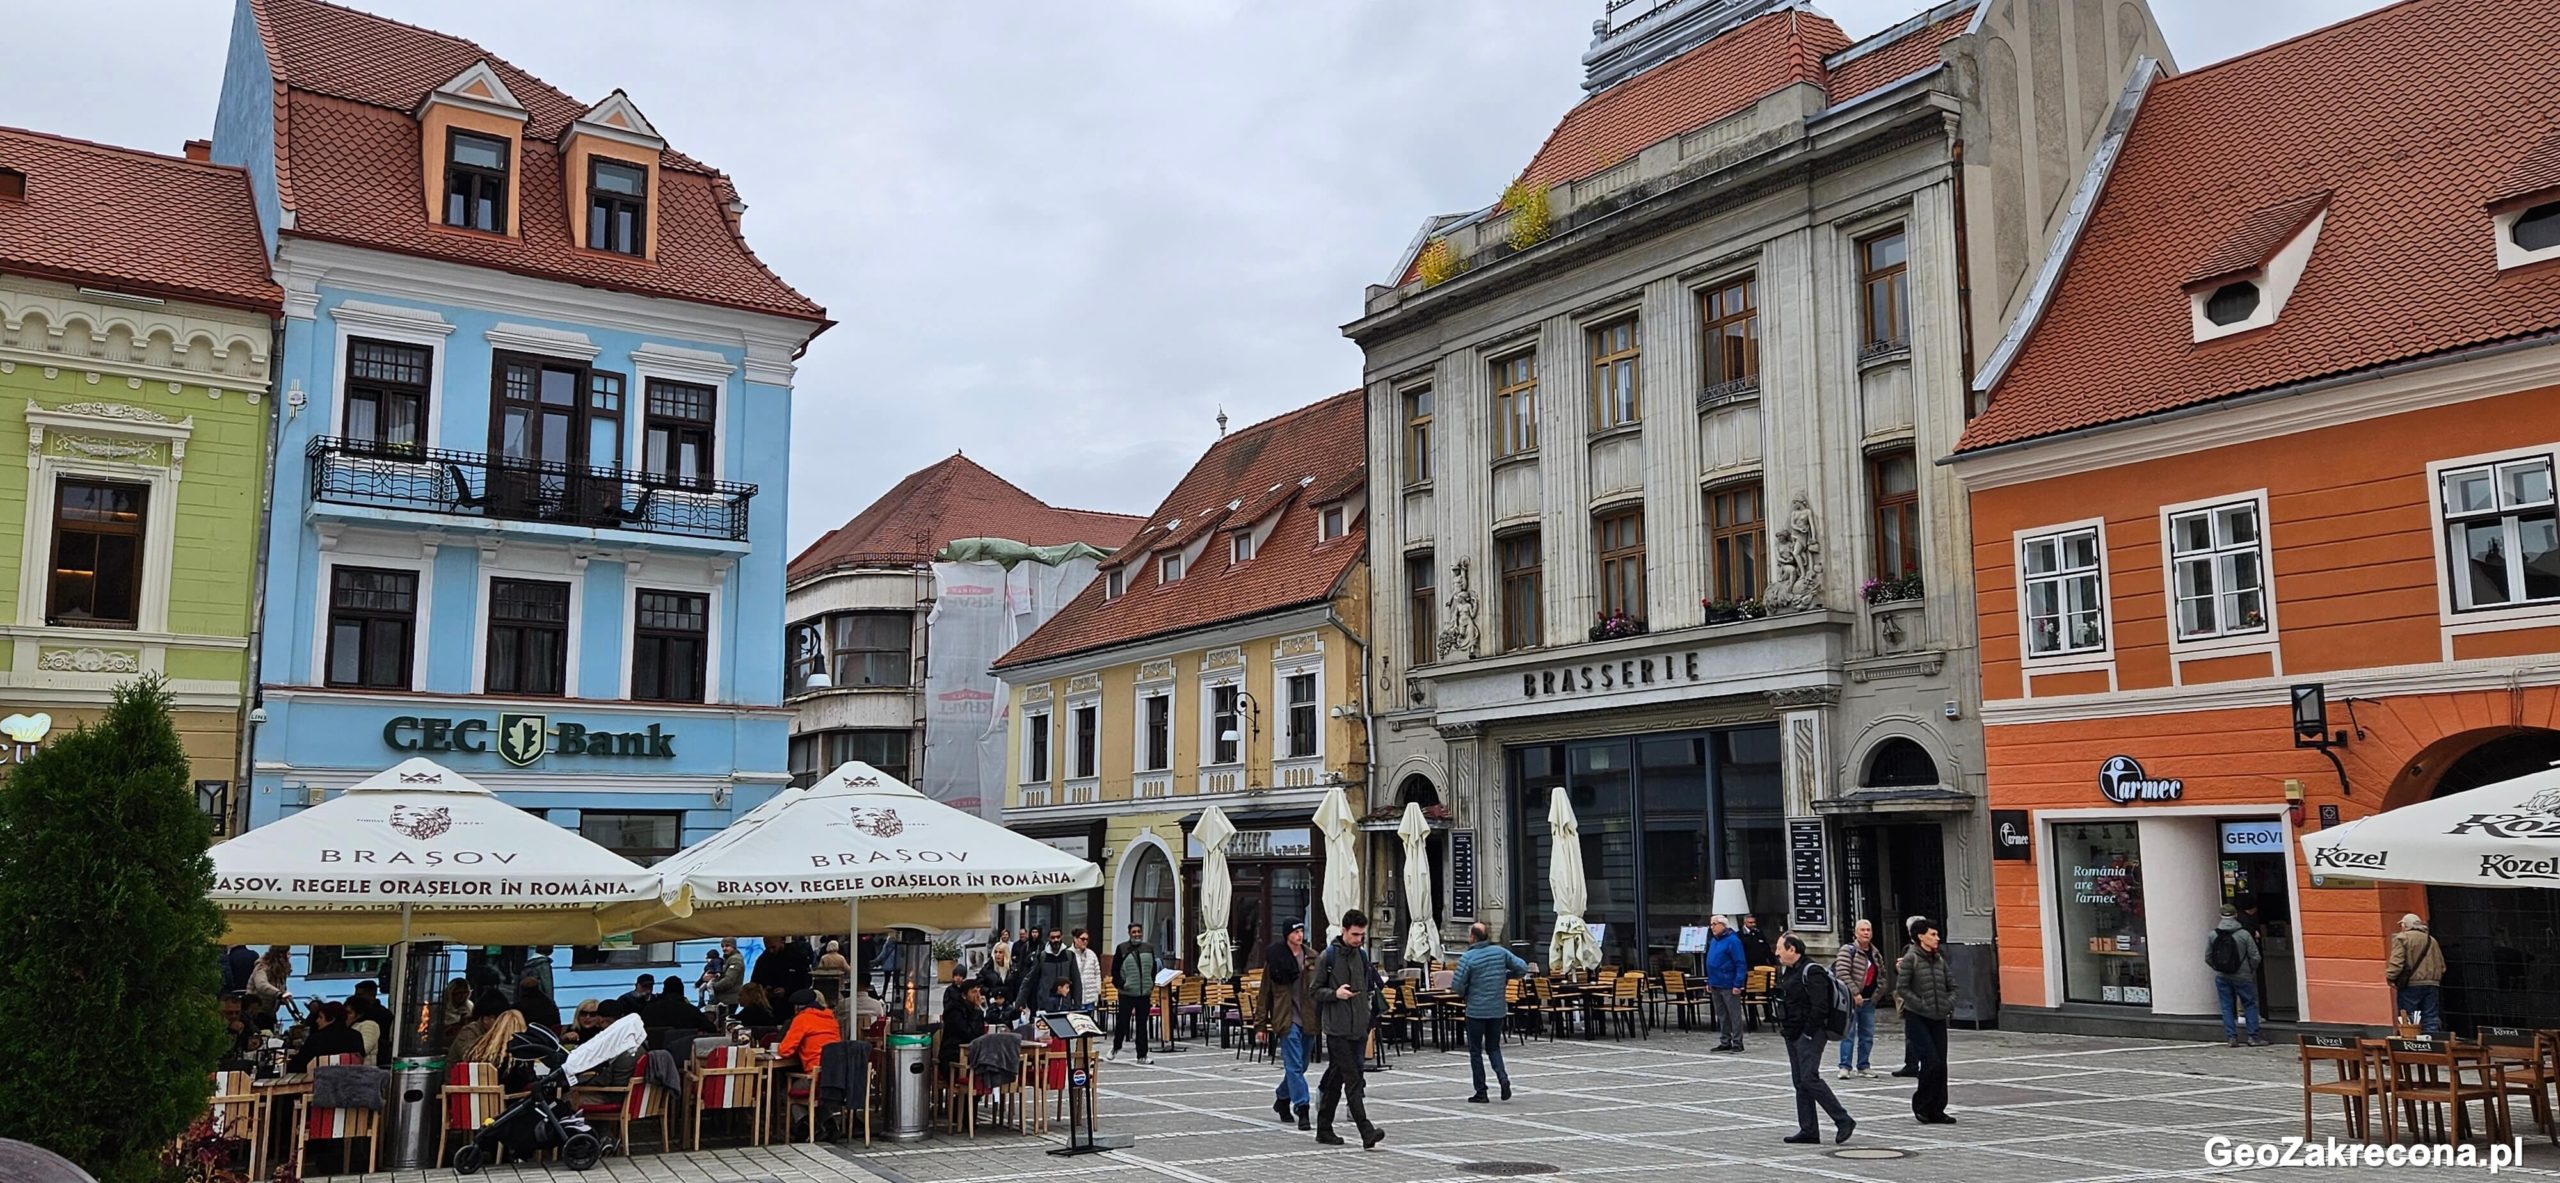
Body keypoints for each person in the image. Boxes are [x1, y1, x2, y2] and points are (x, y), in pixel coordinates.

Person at [1310, 909, 1386, 1150]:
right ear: (1343, 930)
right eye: (1354, 934)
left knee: (1335, 1079)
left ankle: (1324, 1129)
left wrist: (1366, 1019)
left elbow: (1369, 988)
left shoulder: (1361, 956)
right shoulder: (1328, 957)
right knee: (1354, 1080)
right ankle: (1366, 1131)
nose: (1358, 939)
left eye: (1361, 935)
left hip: (1358, 1028)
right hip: (1337, 1029)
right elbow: (1314, 991)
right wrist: (1335, 994)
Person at [1776, 934, 1856, 1144]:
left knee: (1809, 1078)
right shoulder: (1789, 971)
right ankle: (1809, 1129)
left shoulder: (1812, 971)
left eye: (1780, 949)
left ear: (1792, 949)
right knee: (1800, 1082)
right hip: (1792, 1032)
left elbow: (1819, 1006)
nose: (1777, 953)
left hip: (1809, 1034)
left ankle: (1843, 1119)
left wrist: (1808, 1032)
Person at [1450, 921, 1528, 1104]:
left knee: (1475, 1051)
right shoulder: (1501, 952)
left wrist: (1467, 992)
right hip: (1497, 1010)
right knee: (1493, 1047)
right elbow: (1522, 967)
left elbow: (1457, 986)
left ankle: (1481, 1091)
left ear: (1472, 937)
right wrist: (1507, 976)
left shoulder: (1468, 958)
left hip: (1476, 1011)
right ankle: (1502, 1077)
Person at [1893, 918, 1958, 1125]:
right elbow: (1902, 988)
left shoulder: (1939, 960)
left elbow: (1953, 986)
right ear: (1921, 937)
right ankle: (1922, 1106)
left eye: (1937, 934)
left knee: (1941, 1065)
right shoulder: (1911, 958)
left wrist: (1948, 1003)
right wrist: (1920, 1004)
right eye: (1933, 934)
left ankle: (1938, 1109)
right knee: (1930, 1062)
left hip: (1938, 1018)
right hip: (1918, 1018)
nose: (1937, 938)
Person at [1259, 922, 1315, 1129]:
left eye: (1301, 931)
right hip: (1286, 1018)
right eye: (1295, 932)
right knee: (1294, 1066)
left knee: (1302, 1065)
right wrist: (1260, 1026)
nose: (1299, 935)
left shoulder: (1312, 958)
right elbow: (1264, 994)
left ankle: (1282, 1098)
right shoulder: (1276, 958)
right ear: (1286, 935)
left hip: (1308, 1018)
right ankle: (1303, 1108)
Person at [2207, 905, 2266, 1047]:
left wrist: (2218, 968)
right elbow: (2255, 956)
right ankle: (2253, 1037)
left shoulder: (2213, 935)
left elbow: (2208, 957)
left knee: (2227, 1006)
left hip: (2222, 975)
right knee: (2249, 1004)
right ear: (2235, 915)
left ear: (2220, 915)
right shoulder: (2244, 934)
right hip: (2243, 975)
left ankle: (2231, 1037)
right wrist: (2250, 969)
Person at [1833, 919, 1884, 1079]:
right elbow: (1842, 973)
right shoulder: (1847, 950)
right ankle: (1844, 1067)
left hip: (1869, 1001)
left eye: (1868, 930)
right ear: (1856, 933)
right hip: (1850, 1000)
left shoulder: (1875, 953)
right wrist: (1855, 993)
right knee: (1848, 1034)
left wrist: (1878, 994)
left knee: (1867, 1035)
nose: (1866, 933)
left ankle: (1864, 1065)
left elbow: (1882, 974)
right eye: (1862, 930)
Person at [2386, 912, 2446, 1036]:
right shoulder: (2431, 940)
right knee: (2430, 1017)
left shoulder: (2402, 938)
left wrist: (2390, 977)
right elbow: (2442, 965)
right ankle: (2432, 1045)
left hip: (2411, 984)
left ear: (2405, 925)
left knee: (2409, 1017)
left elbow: (2397, 963)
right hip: (2432, 984)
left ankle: (2412, 1046)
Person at [1108, 924, 1160, 1062]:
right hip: (1127, 993)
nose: (1137, 934)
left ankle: (1142, 1055)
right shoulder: (1122, 948)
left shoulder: (1148, 948)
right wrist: (1122, 984)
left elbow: (1153, 969)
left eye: (1139, 932)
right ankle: (1116, 1046)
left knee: (1142, 1025)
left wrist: (1151, 984)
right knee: (1122, 1022)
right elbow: (1115, 970)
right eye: (1134, 932)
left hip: (1144, 994)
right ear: (1129, 933)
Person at [1890, 915, 1927, 1078]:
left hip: (1925, 997)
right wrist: (1899, 967)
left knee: (1925, 1033)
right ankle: (1911, 1064)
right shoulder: (1908, 949)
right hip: (1910, 998)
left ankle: (1926, 1063)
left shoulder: (1930, 949)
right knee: (1911, 1033)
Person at [1705, 914, 1748, 1052]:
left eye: (1715, 924)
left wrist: (1738, 983)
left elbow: (1740, 963)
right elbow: (1711, 962)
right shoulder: (1714, 941)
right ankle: (1725, 1040)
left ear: (1723, 925)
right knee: (1721, 1014)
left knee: (1734, 1014)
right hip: (1716, 982)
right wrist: (1709, 981)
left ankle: (1737, 1042)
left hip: (1729, 983)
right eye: (1711, 924)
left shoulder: (1733, 941)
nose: (1712, 927)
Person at [290, 1001, 367, 1071]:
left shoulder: (316, 1039)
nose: (317, 1021)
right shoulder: (356, 1036)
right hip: (351, 1082)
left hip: (320, 1082)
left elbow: (298, 1065)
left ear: (331, 1019)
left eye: (320, 1017)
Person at [779, 988, 839, 1074]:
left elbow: (784, 1051)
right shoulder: (831, 1019)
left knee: (787, 1086)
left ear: (797, 1007)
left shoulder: (802, 1019)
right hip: (836, 1072)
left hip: (816, 1073)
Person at [641, 973, 713, 1034]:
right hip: (685, 1049)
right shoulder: (692, 1011)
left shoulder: (649, 1010)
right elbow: (711, 1029)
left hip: (654, 1048)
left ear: (664, 990)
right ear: (682, 991)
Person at [940, 981, 989, 1069]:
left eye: (979, 992)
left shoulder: (974, 1010)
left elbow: (980, 1033)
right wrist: (977, 1011)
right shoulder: (955, 1011)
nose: (977, 996)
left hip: (972, 1052)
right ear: (964, 995)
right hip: (954, 1054)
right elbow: (968, 1034)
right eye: (974, 992)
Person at [348, 981, 397, 1063]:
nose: (356, 998)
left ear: (371, 994)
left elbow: (364, 1048)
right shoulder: (385, 1013)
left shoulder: (380, 1015)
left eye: (360, 995)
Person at [1032, 929, 1078, 1009]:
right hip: (1046, 1005)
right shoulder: (1042, 957)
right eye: (1053, 937)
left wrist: (1077, 1005)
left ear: (1062, 937)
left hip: (1065, 1004)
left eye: (1058, 937)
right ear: (1048, 939)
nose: (1056, 940)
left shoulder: (1069, 956)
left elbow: (1076, 981)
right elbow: (1031, 980)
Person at [1070, 929, 1104, 1015]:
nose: (1085, 941)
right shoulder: (1069, 953)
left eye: (1087, 940)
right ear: (1075, 939)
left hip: (1090, 998)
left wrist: (1097, 990)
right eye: (1082, 939)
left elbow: (1097, 973)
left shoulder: (1091, 954)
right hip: (1075, 999)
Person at [435, 978, 474, 1052]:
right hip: (443, 1044)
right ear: (451, 993)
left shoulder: (469, 1005)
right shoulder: (440, 1007)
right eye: (459, 993)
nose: (462, 996)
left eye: (465, 993)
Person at [980, 943, 1014, 1014]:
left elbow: (1016, 985)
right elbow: (979, 983)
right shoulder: (988, 968)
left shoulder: (1013, 969)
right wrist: (989, 992)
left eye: (1000, 952)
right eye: (996, 952)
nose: (997, 954)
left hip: (1009, 1004)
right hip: (993, 1003)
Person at [713, 937, 746, 1008]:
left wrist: (713, 985)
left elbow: (728, 981)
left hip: (729, 1000)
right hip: (725, 999)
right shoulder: (727, 959)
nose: (724, 948)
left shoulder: (735, 960)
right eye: (722, 946)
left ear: (734, 946)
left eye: (727, 946)